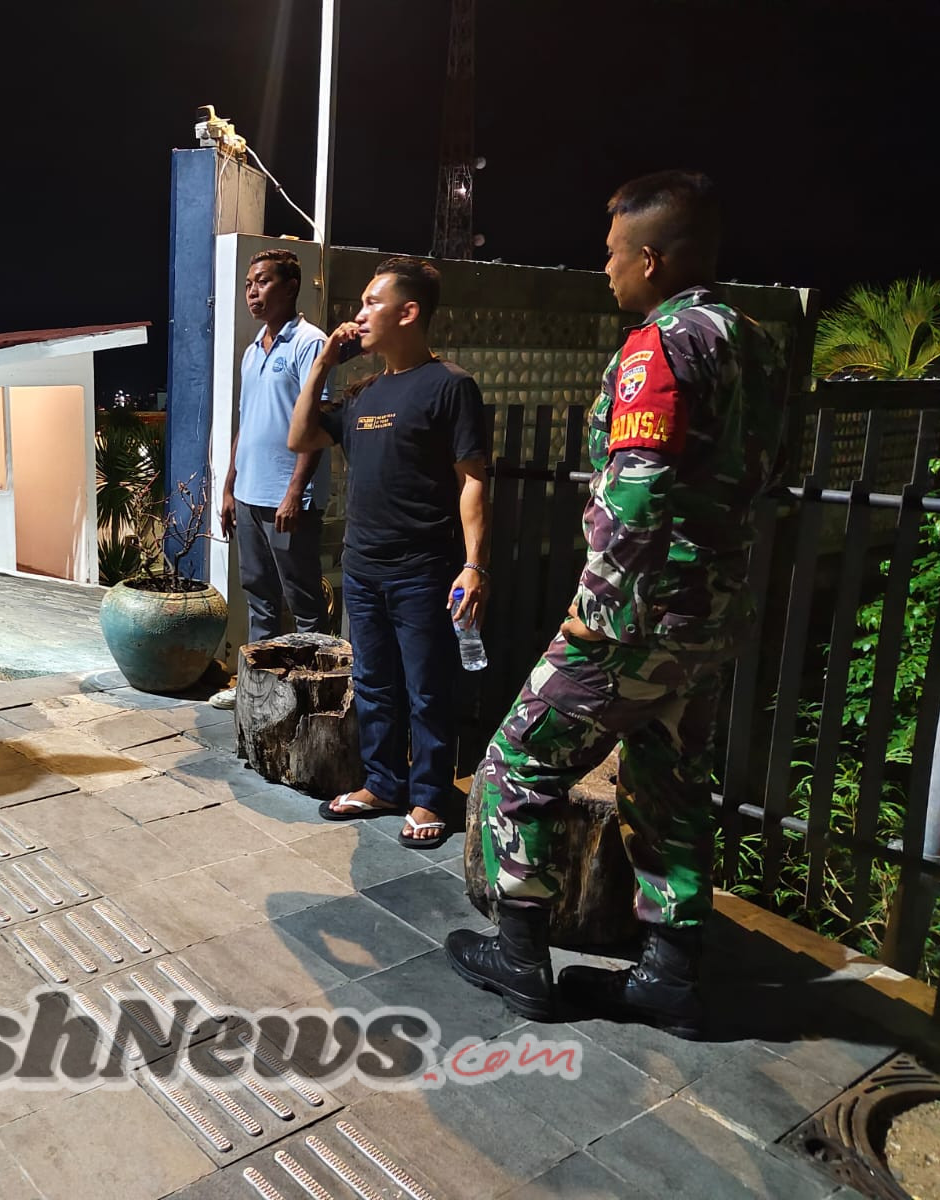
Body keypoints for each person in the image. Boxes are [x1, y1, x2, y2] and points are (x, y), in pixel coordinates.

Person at [444, 171, 785, 1037]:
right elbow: (758, 481)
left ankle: (520, 958)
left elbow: (636, 493)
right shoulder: (757, 344)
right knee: (669, 781)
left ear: (652, 258)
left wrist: (594, 611)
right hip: (710, 618)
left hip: (632, 618)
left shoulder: (660, 343)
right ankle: (669, 974)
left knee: (517, 763)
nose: (604, 272)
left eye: (610, 256)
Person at [289, 257, 489, 848]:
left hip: (423, 570)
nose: (359, 314)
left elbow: (473, 480)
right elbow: (299, 436)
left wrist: (474, 564)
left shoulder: (450, 385)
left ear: (410, 312)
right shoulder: (362, 392)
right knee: (374, 682)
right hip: (363, 566)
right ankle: (382, 783)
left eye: (372, 302)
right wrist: (324, 360)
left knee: (427, 686)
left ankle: (429, 797)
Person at [213, 249, 332, 710]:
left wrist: (295, 491)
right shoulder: (251, 350)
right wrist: (229, 486)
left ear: (289, 287)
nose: (252, 292)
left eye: (262, 282)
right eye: (248, 284)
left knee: (303, 603)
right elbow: (248, 421)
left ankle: (308, 696)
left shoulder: (309, 343)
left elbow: (317, 424)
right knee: (259, 597)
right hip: (249, 494)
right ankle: (256, 690)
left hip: (288, 500)